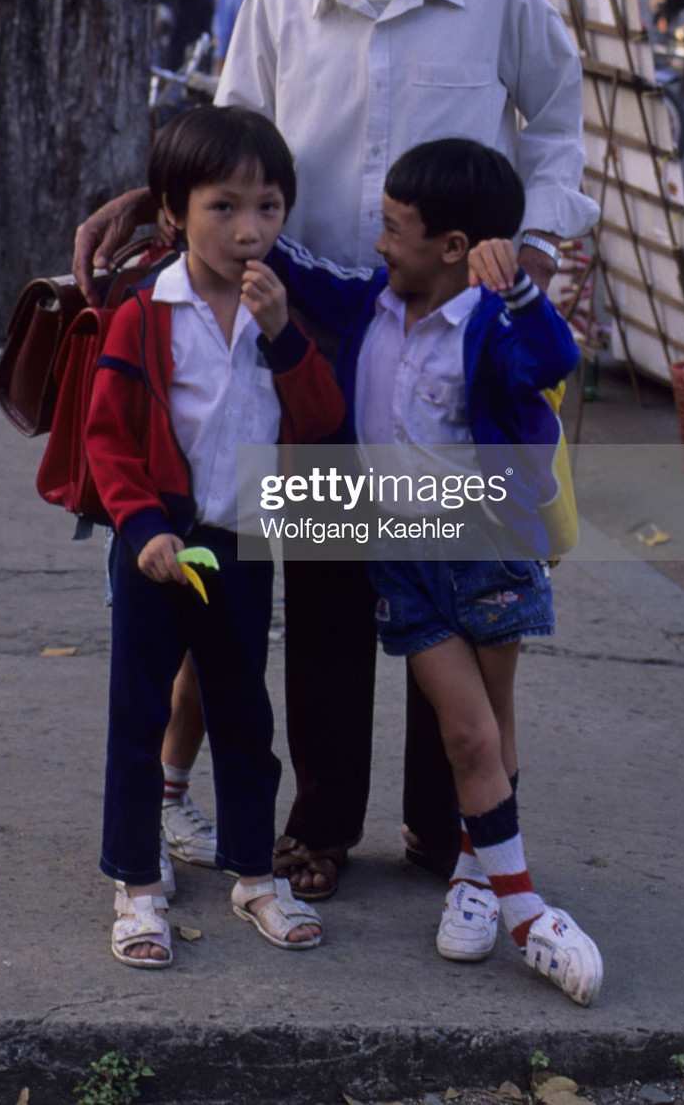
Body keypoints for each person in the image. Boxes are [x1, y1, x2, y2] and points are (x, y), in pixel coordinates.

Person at [74, 0, 599, 900]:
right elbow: (228, 151)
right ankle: (319, 823)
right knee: (322, 592)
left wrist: (536, 241)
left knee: (447, 579)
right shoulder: (276, 5)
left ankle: (447, 827)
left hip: (452, 345)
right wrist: (151, 197)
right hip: (305, 334)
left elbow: (561, 128)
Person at [257, 137, 601, 1005]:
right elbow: (307, 272)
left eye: (393, 230)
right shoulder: (374, 303)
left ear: (452, 246)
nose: (378, 244)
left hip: (484, 552)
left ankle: (481, 881)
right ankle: (519, 903)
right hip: (404, 561)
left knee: (485, 728)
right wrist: (229, 220)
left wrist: (519, 287)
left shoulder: (491, 325)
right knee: (467, 733)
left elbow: (553, 360)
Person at [84, 106, 344, 967]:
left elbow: (321, 421)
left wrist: (284, 337)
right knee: (140, 717)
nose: (248, 230)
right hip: (157, 545)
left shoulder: (281, 312)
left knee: (244, 715)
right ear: (173, 212)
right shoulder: (146, 313)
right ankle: (137, 886)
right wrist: (142, 525)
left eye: (268, 207)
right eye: (223, 207)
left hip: (240, 543)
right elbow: (109, 438)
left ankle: (253, 876)